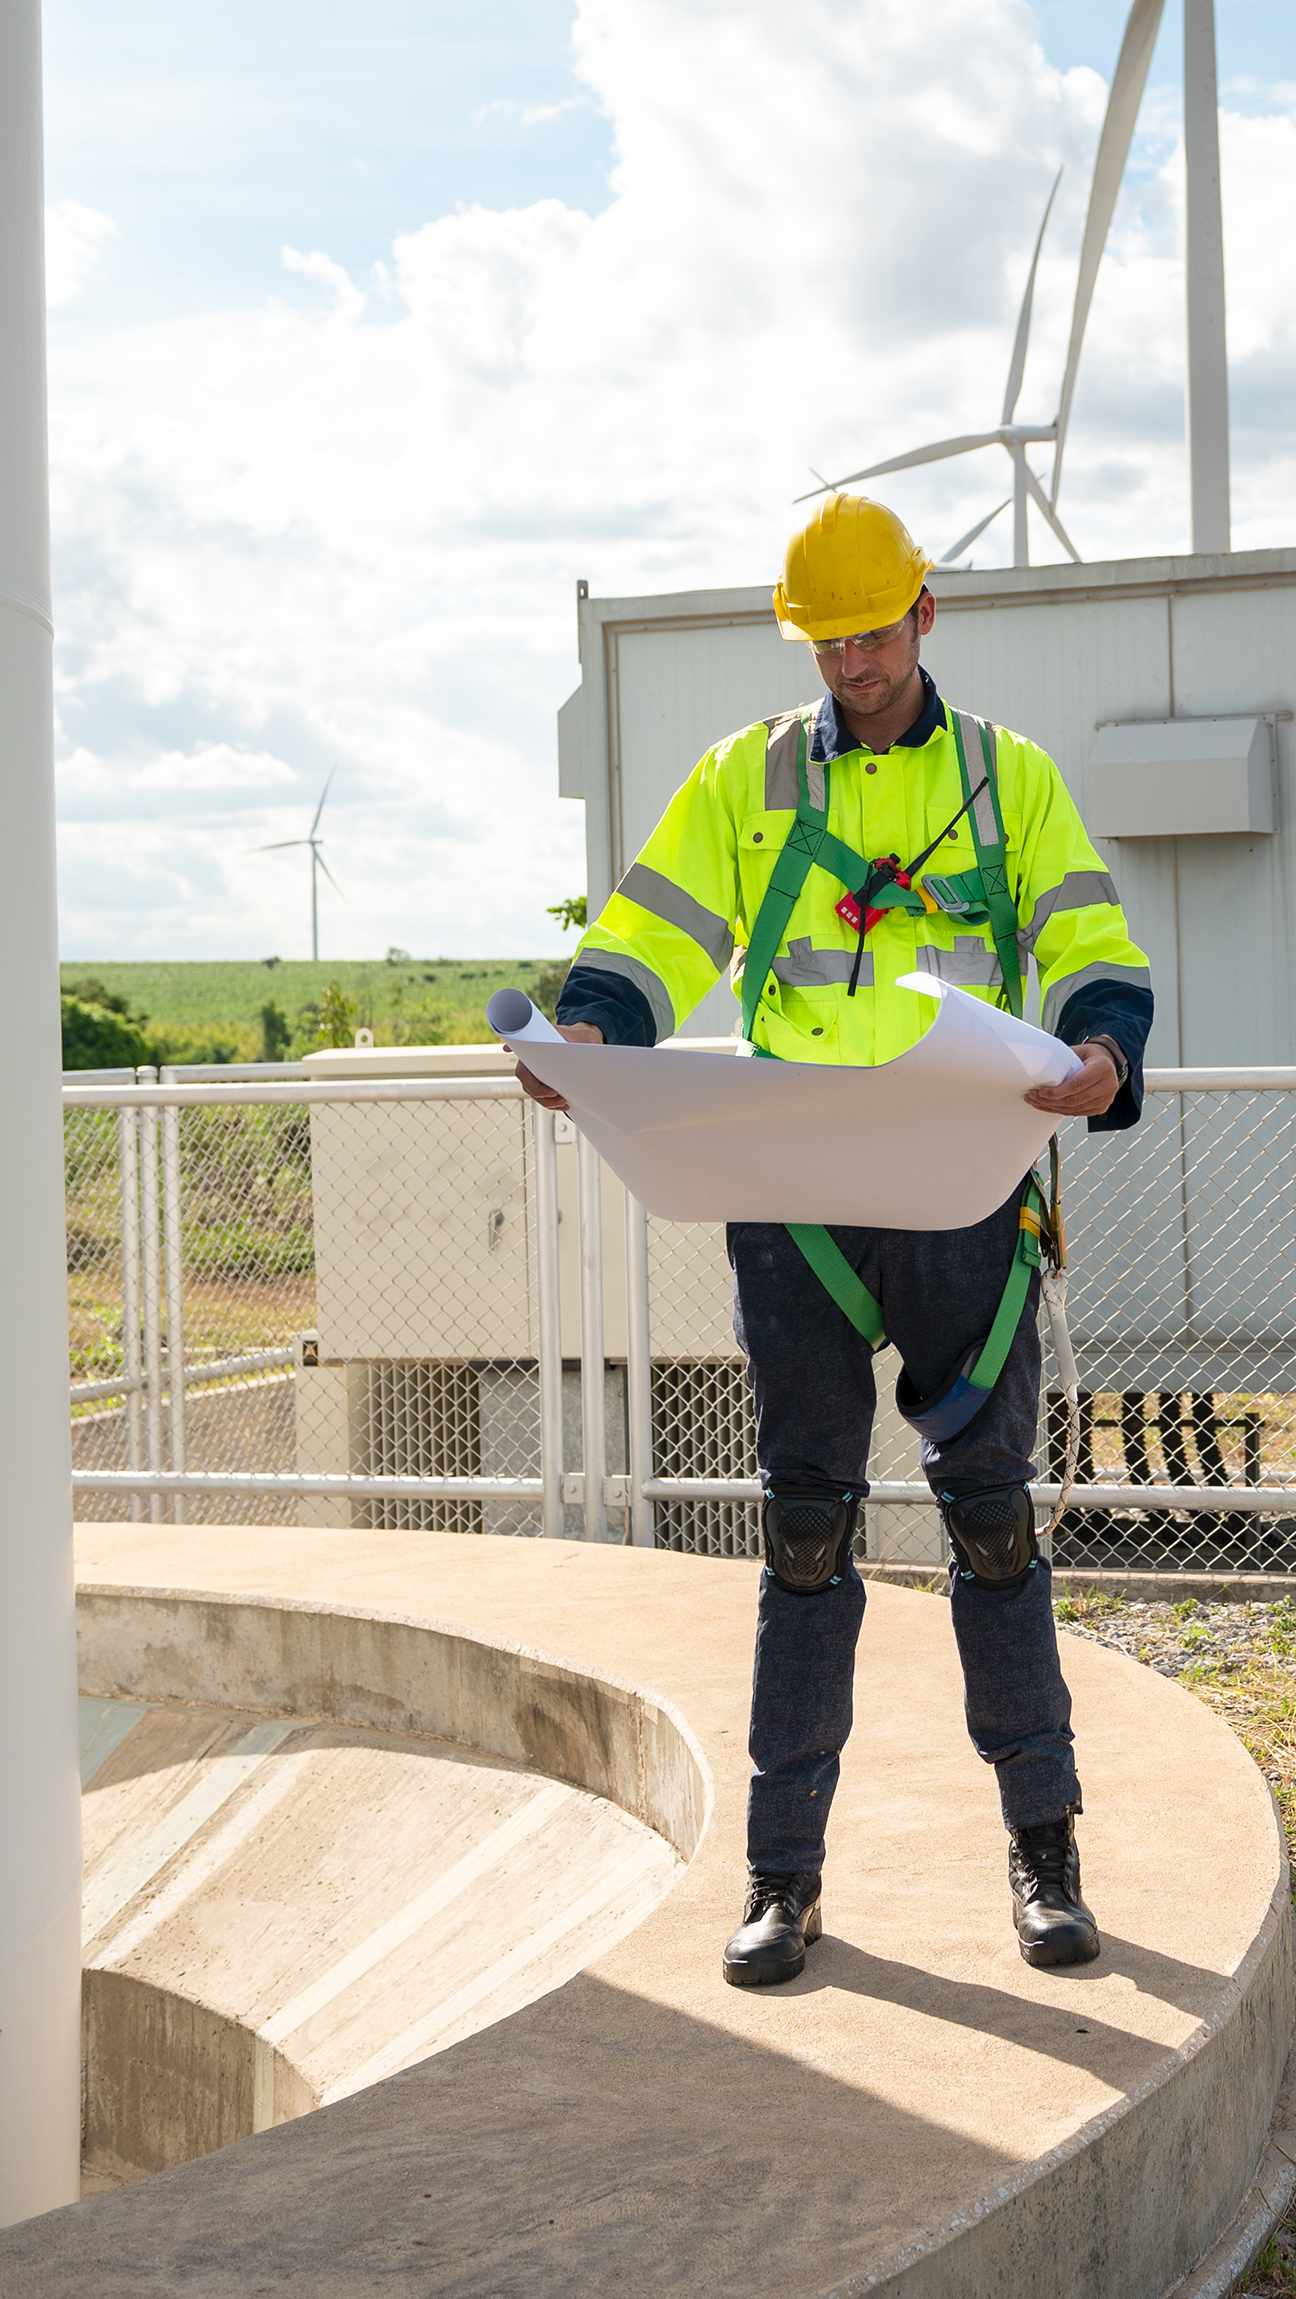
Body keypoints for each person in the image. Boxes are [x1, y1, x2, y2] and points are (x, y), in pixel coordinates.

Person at [522, 494, 1152, 1989]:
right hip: (797, 1199)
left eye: (872, 632)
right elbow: (652, 935)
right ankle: (782, 1877)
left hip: (962, 1192)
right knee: (805, 1530)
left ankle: (1047, 1855)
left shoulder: (1007, 780)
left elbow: (1091, 946)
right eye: (827, 641)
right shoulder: (746, 778)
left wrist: (1104, 1050)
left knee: (992, 1520)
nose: (852, 662)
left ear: (925, 613)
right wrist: (592, 1033)